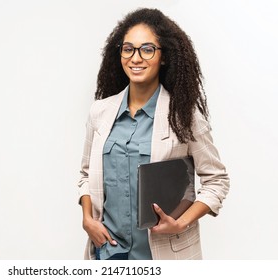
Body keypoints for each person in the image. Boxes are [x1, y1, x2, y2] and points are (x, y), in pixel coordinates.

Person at [77, 8, 230, 260]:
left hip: (162, 255)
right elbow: (85, 173)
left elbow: (217, 181)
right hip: (108, 253)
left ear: (164, 57)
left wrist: (181, 223)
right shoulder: (100, 113)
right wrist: (87, 219)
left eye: (147, 49)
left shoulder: (183, 116)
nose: (135, 58)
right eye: (128, 49)